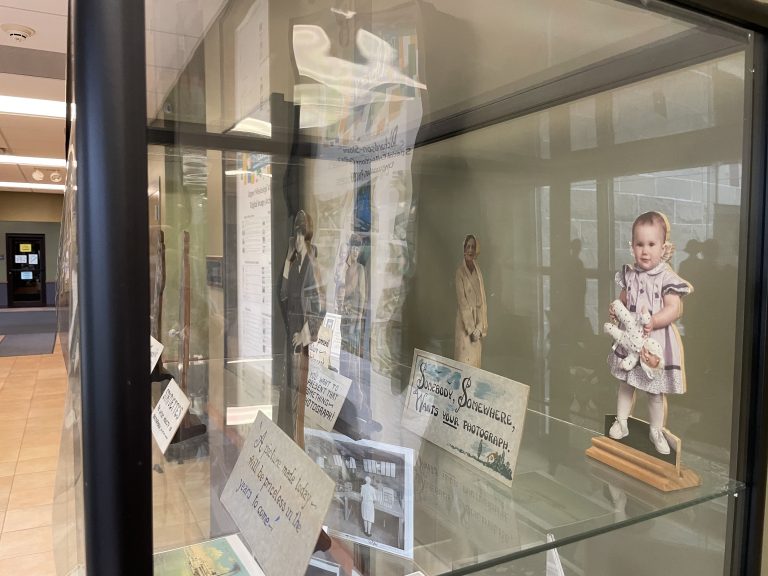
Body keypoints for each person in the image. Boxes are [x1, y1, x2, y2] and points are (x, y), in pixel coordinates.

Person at [607, 211, 693, 454]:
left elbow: (673, 308)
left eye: (651, 244)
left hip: (654, 342)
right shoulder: (629, 274)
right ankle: (622, 421)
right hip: (630, 338)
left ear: (663, 247)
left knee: (654, 391)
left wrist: (655, 321)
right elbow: (623, 300)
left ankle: (656, 429)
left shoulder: (666, 277)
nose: (645, 251)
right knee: (626, 383)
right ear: (632, 246)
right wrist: (616, 311)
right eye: (640, 244)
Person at [279, 210, 324, 448]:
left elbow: (320, 305)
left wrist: (305, 334)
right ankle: (289, 439)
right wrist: (288, 261)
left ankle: (298, 441)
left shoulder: (311, 265)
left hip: (301, 339)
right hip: (291, 334)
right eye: (295, 235)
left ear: (306, 237)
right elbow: (284, 295)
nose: (296, 241)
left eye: (300, 236)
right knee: (289, 389)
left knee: (299, 391)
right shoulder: (296, 263)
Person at [455, 235, 488, 367]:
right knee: (463, 363)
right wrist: (471, 328)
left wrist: (479, 327)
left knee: (475, 365)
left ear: (476, 250)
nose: (470, 250)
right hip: (465, 325)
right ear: (464, 249)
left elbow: (482, 302)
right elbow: (462, 302)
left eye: (473, 247)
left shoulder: (478, 273)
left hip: (477, 326)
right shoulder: (460, 273)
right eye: (467, 247)